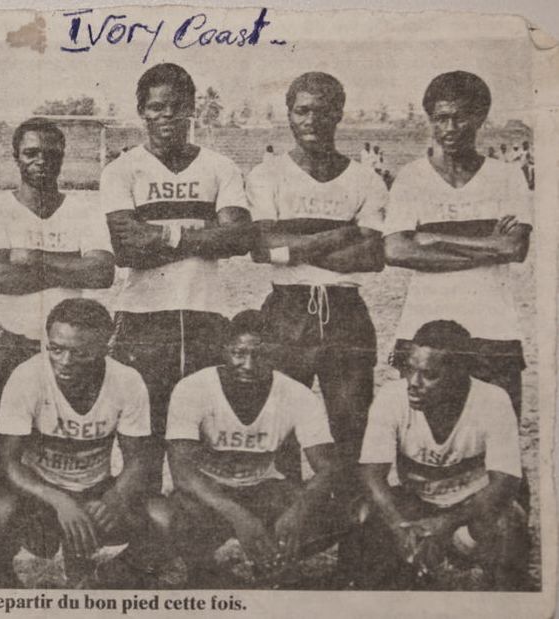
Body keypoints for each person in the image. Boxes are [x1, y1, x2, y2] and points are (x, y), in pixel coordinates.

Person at [100, 63, 256, 490]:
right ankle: (146, 550)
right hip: (142, 316)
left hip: (206, 312)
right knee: (144, 440)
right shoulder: (122, 170)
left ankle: (194, 545)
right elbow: (125, 247)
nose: (165, 116)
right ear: (141, 112)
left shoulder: (219, 167)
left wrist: (161, 236)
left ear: (192, 109)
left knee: (203, 439)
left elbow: (239, 237)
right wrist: (201, 232)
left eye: (175, 107)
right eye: (155, 108)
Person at [246, 72, 387, 478]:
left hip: (344, 311)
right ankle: (286, 523)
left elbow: (373, 256)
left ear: (339, 114)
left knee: (350, 424)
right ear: (288, 115)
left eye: (322, 111)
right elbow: (262, 249)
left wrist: (292, 247)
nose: (311, 120)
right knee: (280, 424)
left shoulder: (364, 179)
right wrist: (342, 233)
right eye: (302, 110)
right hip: (287, 309)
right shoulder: (266, 175)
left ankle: (347, 529)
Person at [150, 310, 342, 588]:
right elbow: (183, 475)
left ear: (277, 354)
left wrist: (298, 510)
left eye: (261, 355)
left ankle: (272, 562)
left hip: (262, 491)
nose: (249, 365)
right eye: (239, 353)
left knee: (346, 514)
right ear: (224, 350)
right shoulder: (193, 388)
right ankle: (204, 568)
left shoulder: (296, 393)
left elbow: (327, 467)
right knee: (164, 517)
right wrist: (239, 517)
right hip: (209, 496)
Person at [0, 298, 155, 588]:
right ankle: (1, 574)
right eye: (56, 349)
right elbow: (7, 462)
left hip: (94, 490)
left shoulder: (126, 380)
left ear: (105, 348)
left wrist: (113, 497)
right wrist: (58, 500)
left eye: (80, 353)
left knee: (162, 517)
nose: (65, 362)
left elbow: (137, 460)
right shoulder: (28, 376)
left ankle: (101, 575)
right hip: (40, 494)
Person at [0, 118, 115, 484]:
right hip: (13, 341)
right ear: (16, 157)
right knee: (1, 456)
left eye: (51, 153)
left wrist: (30, 258)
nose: (41, 161)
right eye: (31, 153)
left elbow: (101, 274)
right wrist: (72, 265)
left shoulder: (84, 209)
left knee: (64, 450)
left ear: (63, 156)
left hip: (70, 351)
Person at [384, 71, 532, 419]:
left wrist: (435, 237)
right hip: (423, 328)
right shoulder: (411, 178)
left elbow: (514, 250)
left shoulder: (506, 176)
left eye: (459, 117)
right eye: (440, 119)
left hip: (493, 327)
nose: (449, 128)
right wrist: (487, 244)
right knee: (425, 436)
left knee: (501, 437)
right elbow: (397, 251)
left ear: (480, 117)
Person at [355, 320, 529, 590]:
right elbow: (371, 474)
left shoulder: (493, 401)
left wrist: (445, 524)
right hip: (418, 507)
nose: (413, 382)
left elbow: (505, 484)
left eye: (429, 374)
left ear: (461, 374)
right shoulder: (391, 397)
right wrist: (399, 525)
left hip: (470, 513)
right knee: (370, 515)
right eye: (410, 369)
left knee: (508, 520)